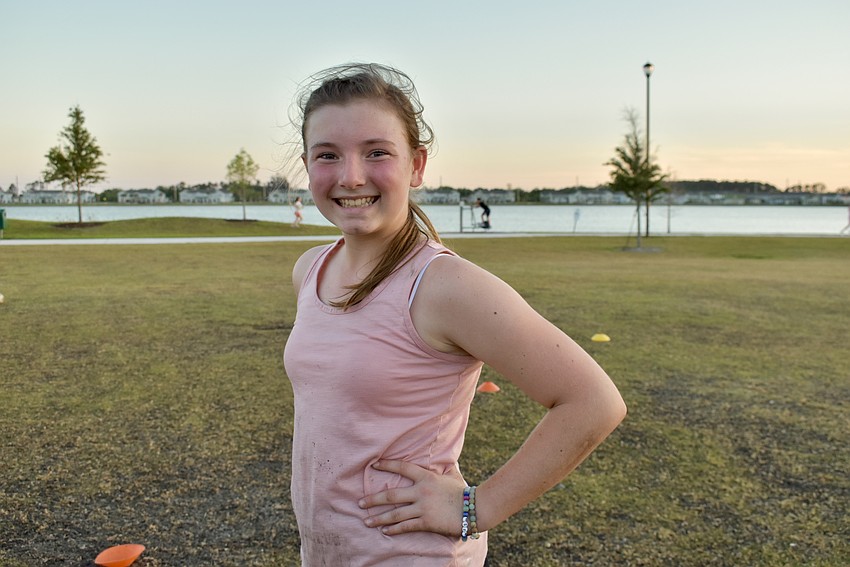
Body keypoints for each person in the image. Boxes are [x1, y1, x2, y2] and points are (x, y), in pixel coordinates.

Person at [282, 62, 626, 566]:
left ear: (416, 166)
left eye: (377, 152)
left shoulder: (445, 286)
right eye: (327, 155)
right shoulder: (310, 269)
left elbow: (593, 402)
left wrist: (477, 507)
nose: (350, 176)